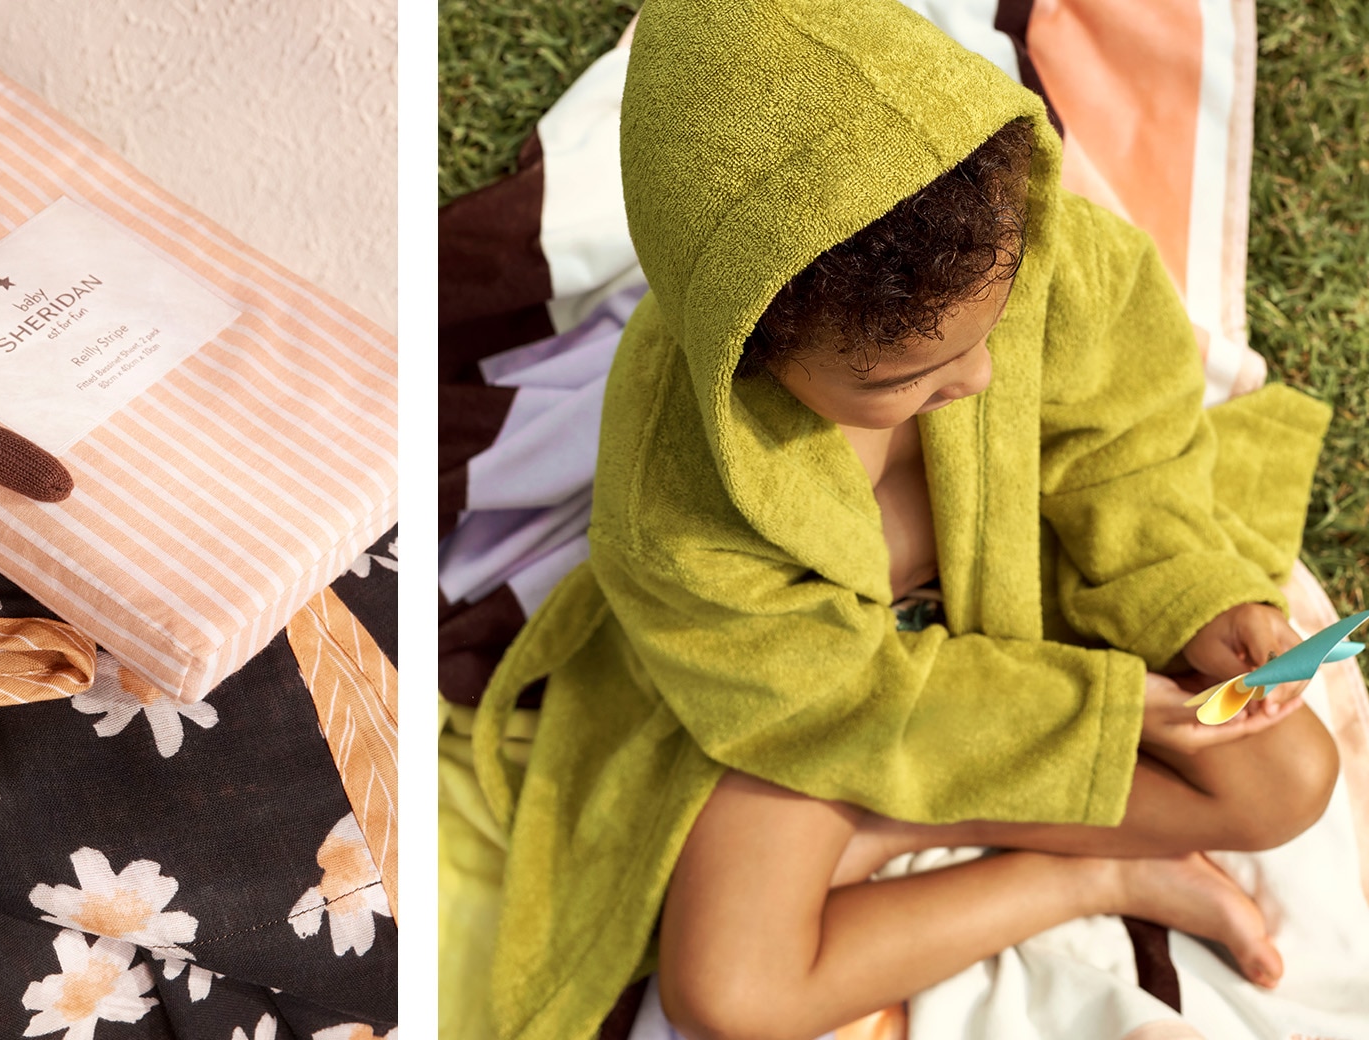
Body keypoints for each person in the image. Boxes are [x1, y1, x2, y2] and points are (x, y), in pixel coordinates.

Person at [469, 2, 1340, 1038]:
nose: (971, 379)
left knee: (1288, 778)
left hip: (1035, 583)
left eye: (989, 327)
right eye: (904, 377)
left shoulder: (1038, 246)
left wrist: (1195, 594)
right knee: (727, 990)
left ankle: (895, 823)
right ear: (754, 351)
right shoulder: (677, 497)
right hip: (844, 704)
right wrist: (1091, 722)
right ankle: (1090, 870)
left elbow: (1127, 444)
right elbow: (809, 701)